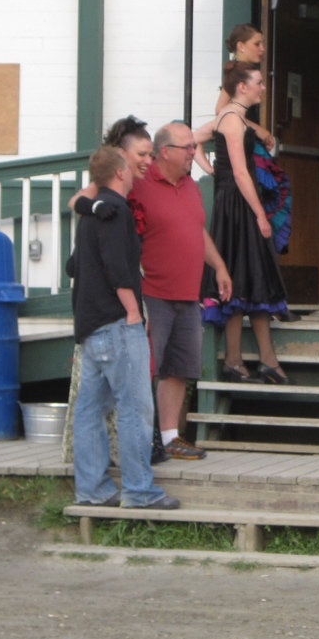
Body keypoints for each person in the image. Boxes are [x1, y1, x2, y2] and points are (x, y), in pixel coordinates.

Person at [69, 146, 178, 511]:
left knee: (89, 411)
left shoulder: (91, 214)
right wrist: (133, 311)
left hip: (90, 325)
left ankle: (92, 490)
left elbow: (73, 265)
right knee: (134, 409)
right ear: (119, 173)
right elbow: (117, 267)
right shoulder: (115, 211)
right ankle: (140, 491)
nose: (135, 169)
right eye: (130, 165)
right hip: (118, 324)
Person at [126, 122, 233, 461]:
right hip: (151, 293)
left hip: (188, 294)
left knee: (179, 368)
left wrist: (219, 267)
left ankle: (170, 437)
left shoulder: (189, 186)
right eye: (187, 147)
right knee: (146, 368)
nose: (193, 152)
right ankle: (142, 439)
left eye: (193, 146)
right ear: (165, 152)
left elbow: (196, 230)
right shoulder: (138, 183)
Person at [62, 116, 155, 465]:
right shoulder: (110, 193)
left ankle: (104, 473)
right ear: (121, 158)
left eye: (151, 154)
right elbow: (76, 202)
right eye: (142, 154)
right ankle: (131, 475)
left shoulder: (134, 187)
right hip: (112, 303)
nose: (148, 160)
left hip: (114, 292)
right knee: (125, 400)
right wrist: (98, 206)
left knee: (106, 400)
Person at [201, 62, 292, 385]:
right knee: (241, 276)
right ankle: (236, 360)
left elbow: (193, 139)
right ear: (242, 87)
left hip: (237, 204)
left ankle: (262, 361)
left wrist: (209, 167)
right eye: (258, 82)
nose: (262, 88)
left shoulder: (231, 117)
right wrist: (259, 214)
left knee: (253, 275)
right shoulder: (231, 120)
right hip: (237, 207)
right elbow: (241, 173)